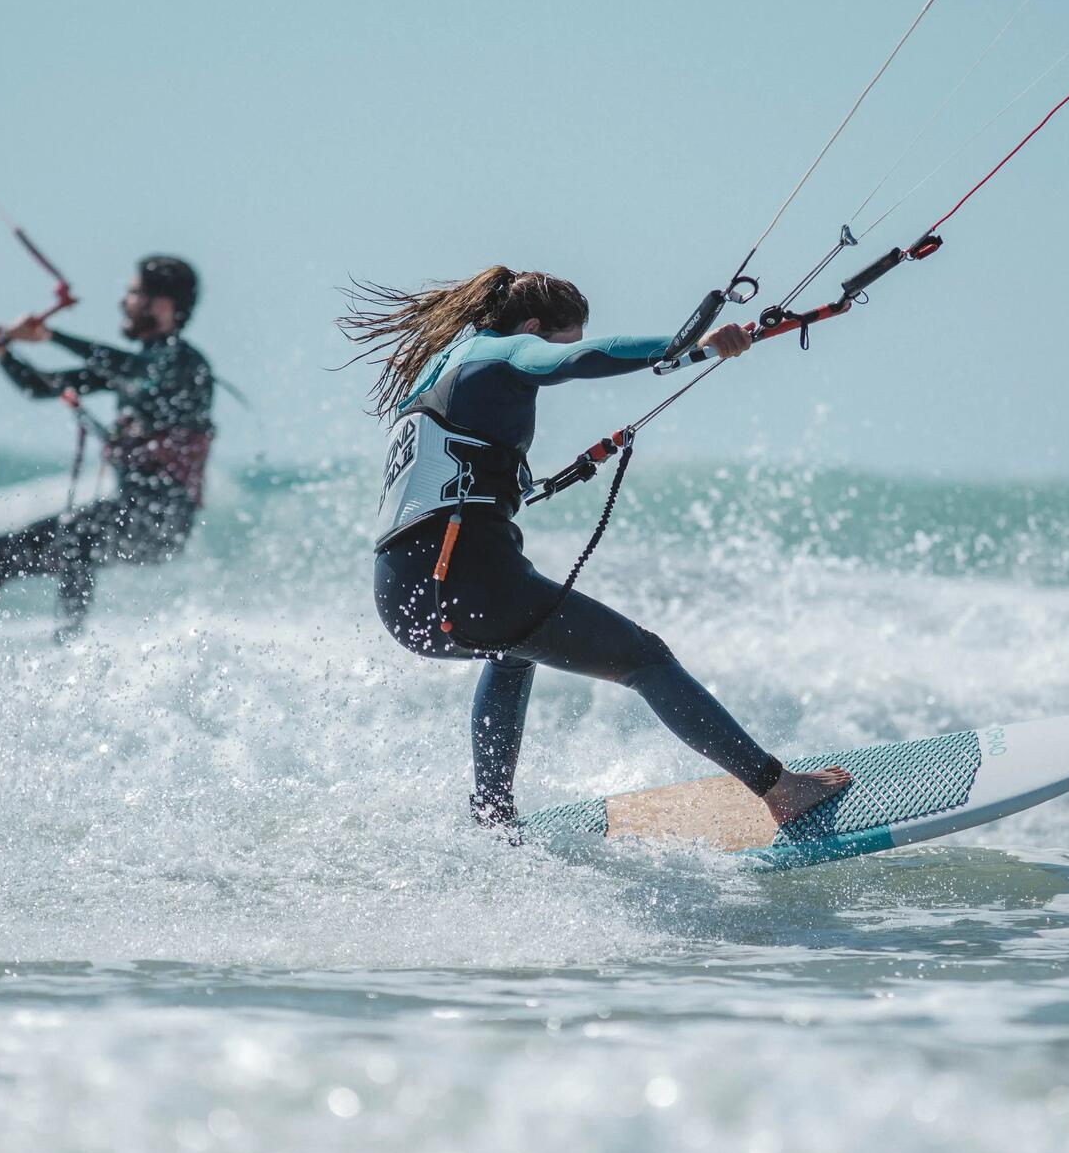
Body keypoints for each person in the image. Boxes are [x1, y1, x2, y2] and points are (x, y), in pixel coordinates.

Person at [345, 265, 850, 831]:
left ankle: (493, 816)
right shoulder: (503, 353)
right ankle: (778, 788)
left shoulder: (443, 373)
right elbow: (578, 359)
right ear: (533, 327)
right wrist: (688, 342)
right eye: (562, 336)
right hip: (464, 580)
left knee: (513, 650)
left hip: (406, 599)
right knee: (644, 658)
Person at [0, 255, 214, 642]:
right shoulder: (133, 367)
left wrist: (52, 337)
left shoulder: (185, 364)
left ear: (160, 305)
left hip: (163, 520)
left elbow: (134, 371)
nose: (122, 302)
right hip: (129, 513)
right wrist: (2, 353)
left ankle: (68, 651)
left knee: (77, 534)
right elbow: (40, 386)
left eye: (131, 293)